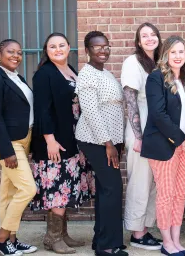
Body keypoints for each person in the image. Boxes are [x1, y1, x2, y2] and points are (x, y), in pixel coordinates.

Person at [30, 33, 94, 254]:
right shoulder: (44, 74)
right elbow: (42, 110)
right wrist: (50, 140)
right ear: (46, 51)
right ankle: (52, 238)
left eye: (61, 45)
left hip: (71, 139)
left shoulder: (72, 71)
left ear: (69, 47)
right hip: (54, 142)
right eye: (52, 46)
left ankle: (63, 235)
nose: (57, 49)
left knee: (65, 188)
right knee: (57, 189)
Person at [75, 31, 127, 256]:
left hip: (110, 140)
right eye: (97, 47)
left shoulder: (104, 72)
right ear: (87, 50)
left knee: (109, 190)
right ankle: (106, 246)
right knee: (111, 189)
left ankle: (103, 239)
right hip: (96, 140)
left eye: (106, 46)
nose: (103, 50)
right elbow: (91, 112)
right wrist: (108, 143)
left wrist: (118, 141)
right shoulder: (87, 75)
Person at [141, 36, 185, 256]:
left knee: (179, 194)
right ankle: (166, 242)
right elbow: (158, 114)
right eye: (173, 52)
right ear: (165, 54)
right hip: (165, 146)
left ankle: (176, 240)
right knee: (166, 194)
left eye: (181, 52)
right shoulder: (156, 78)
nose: (178, 56)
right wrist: (181, 139)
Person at [0, 39, 38, 255]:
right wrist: (7, 151)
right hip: (7, 143)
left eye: (19, 52)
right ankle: (2, 237)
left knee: (10, 191)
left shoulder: (17, 78)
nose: (15, 55)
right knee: (28, 189)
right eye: (10, 51)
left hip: (23, 139)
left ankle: (12, 240)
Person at [121, 22, 163, 250]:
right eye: (144, 36)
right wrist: (138, 136)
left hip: (157, 128)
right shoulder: (133, 62)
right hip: (142, 128)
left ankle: (146, 229)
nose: (149, 39)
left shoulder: (159, 63)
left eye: (153, 34)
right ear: (138, 41)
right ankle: (137, 233)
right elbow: (130, 99)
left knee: (154, 182)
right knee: (139, 181)